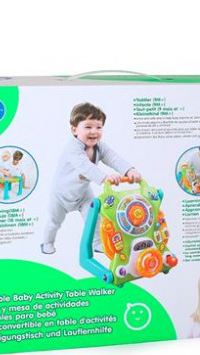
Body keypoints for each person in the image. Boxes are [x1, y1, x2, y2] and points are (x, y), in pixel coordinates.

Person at [41, 102, 141, 254]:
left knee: (94, 217)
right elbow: (85, 166)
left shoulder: (99, 146)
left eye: (98, 127)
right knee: (54, 222)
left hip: (83, 194)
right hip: (61, 195)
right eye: (88, 127)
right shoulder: (72, 148)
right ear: (74, 129)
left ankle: (97, 243)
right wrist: (104, 177)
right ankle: (47, 242)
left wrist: (129, 170)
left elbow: (113, 157)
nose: (94, 131)